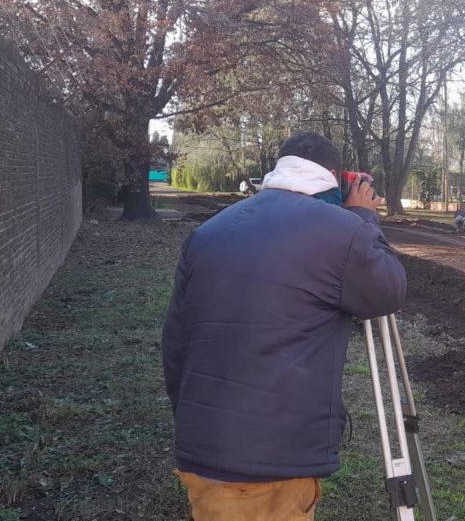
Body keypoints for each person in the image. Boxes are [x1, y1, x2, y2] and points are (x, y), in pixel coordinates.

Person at [162, 133, 407, 521]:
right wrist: (363, 217)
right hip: (271, 463)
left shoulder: (207, 232)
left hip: (202, 449)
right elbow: (388, 291)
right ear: (333, 175)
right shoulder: (343, 229)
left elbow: (175, 341)